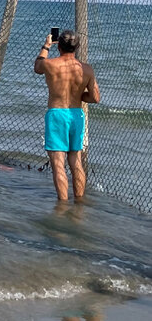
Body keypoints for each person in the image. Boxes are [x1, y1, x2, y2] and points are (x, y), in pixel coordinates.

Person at [34, 29, 100, 202]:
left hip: (57, 114)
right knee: (76, 160)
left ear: (59, 46)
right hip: (77, 115)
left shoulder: (51, 64)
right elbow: (95, 98)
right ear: (77, 47)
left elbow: (37, 67)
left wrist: (46, 46)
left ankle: (62, 207)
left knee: (58, 164)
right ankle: (79, 203)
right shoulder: (87, 69)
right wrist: (79, 96)